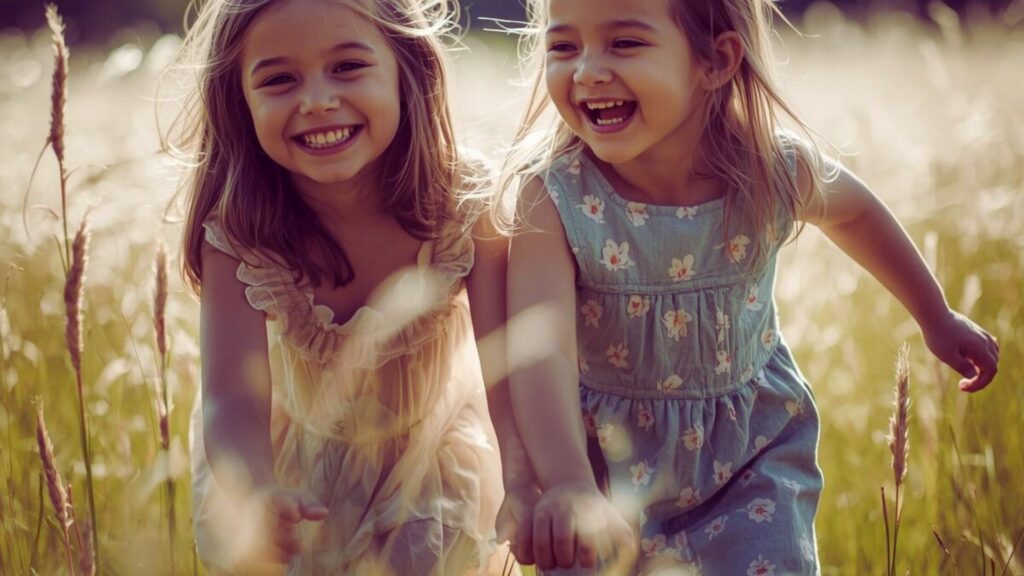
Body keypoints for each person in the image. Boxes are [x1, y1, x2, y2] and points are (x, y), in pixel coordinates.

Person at [496, 0, 1001, 573]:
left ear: (716, 59)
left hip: (751, 460)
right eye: (563, 47)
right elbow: (540, 350)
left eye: (625, 43)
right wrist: (567, 481)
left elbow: (854, 211)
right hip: (603, 474)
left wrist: (935, 316)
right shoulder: (555, 198)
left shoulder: (766, 168)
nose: (587, 71)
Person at [170, 0, 527, 573]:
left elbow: (507, 368)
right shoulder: (239, 237)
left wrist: (523, 474)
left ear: (406, 69)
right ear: (240, 102)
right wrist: (256, 489)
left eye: (347, 67)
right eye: (279, 80)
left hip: (432, 461)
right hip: (298, 471)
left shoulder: (464, 204)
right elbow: (230, 401)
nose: (316, 101)